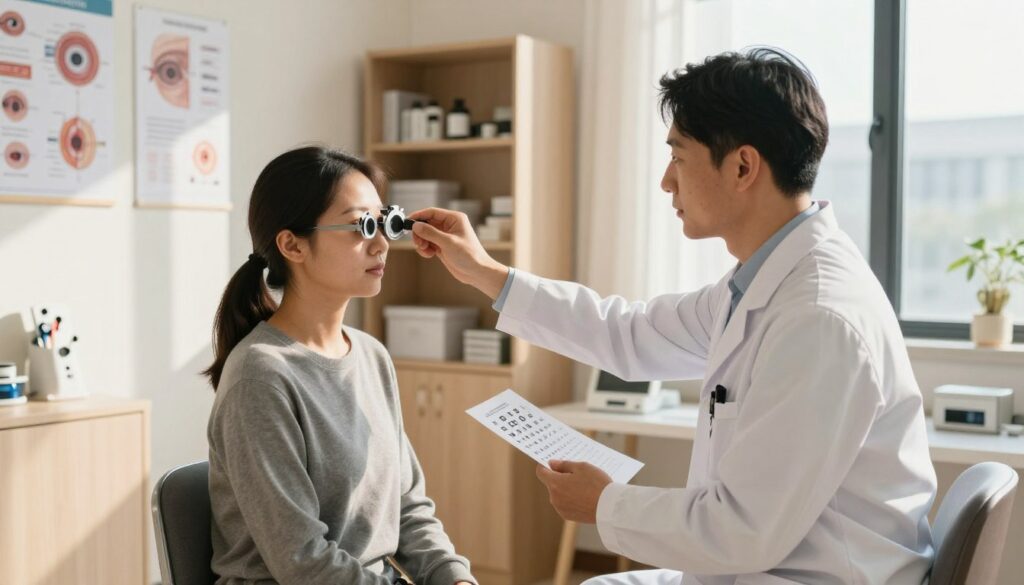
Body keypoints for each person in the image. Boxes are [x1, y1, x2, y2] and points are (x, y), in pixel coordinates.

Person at [407, 48, 937, 585]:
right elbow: (629, 334)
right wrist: (482, 272)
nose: (666, 181)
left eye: (678, 157)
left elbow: (743, 531)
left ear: (743, 167)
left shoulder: (819, 318)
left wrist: (607, 504)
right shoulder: (762, 283)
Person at [203, 146, 476, 585]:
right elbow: (301, 560)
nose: (382, 242)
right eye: (361, 226)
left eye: (383, 222)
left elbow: (407, 508)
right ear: (292, 244)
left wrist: (454, 578)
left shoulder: (371, 356)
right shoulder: (260, 376)